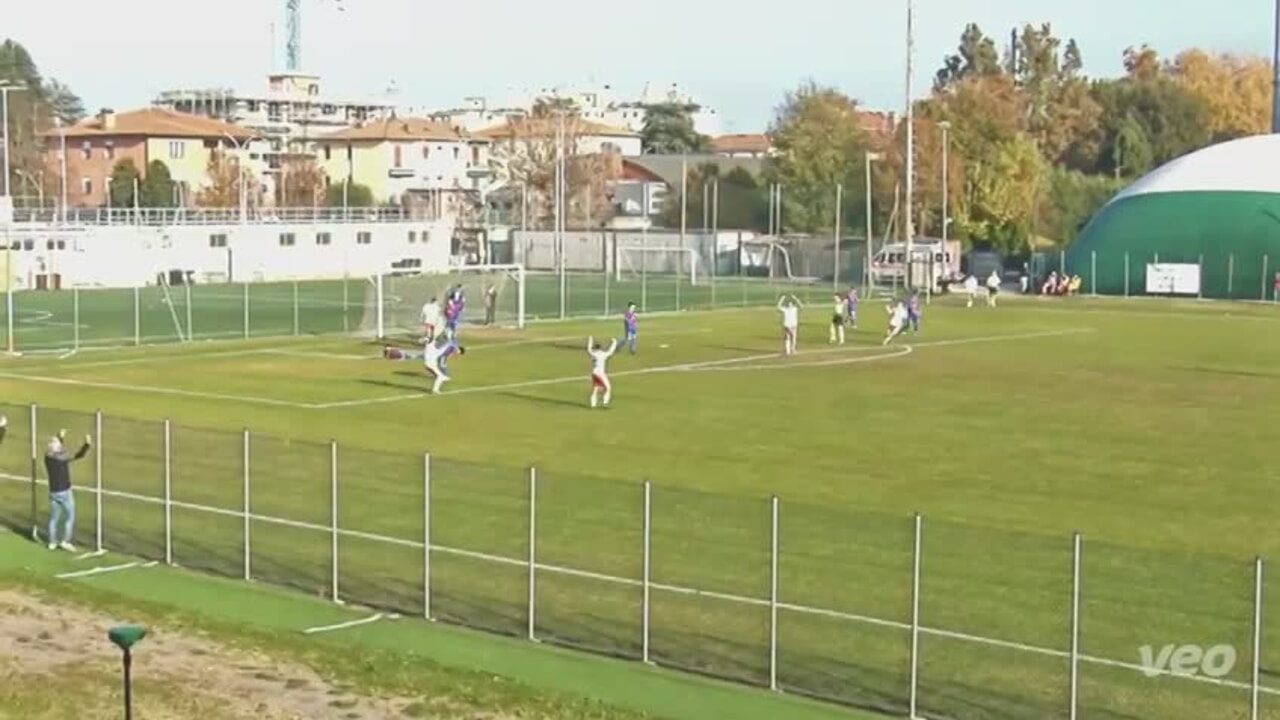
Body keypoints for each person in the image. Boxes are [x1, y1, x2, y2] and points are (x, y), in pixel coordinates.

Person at [45, 430, 92, 552]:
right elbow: (78, 455)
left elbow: (58, 450)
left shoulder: (48, 457)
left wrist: (60, 437)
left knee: (54, 518)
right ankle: (65, 541)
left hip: (53, 492)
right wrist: (87, 445)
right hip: (65, 492)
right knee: (70, 517)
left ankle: (52, 542)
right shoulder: (62, 457)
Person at [383, 336, 466, 394]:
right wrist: (444, 370)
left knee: (411, 355)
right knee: (440, 376)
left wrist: (423, 340)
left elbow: (425, 340)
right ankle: (435, 390)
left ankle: (390, 350)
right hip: (429, 362)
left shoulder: (434, 346)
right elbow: (443, 361)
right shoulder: (449, 348)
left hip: (427, 357)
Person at [587, 336, 618, 408]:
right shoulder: (603, 354)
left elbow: (589, 349)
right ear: (600, 348)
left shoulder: (593, 354)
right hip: (600, 373)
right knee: (608, 388)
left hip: (594, 373)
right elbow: (611, 351)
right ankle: (605, 403)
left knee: (595, 389)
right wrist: (614, 342)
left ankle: (593, 405)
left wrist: (590, 340)